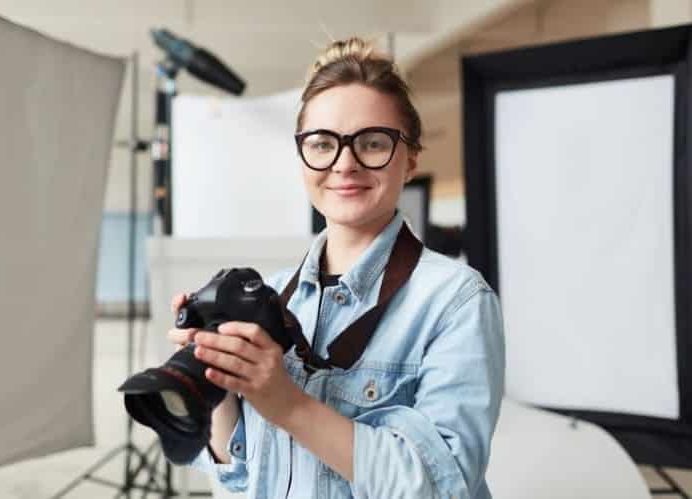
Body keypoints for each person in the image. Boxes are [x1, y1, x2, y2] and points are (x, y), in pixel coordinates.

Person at [167, 37, 505, 499]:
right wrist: (219, 380)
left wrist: (287, 404)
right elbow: (242, 477)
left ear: (410, 160)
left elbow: (439, 490)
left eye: (372, 142)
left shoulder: (455, 302)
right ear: (303, 156)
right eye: (323, 143)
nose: (345, 164)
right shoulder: (273, 294)